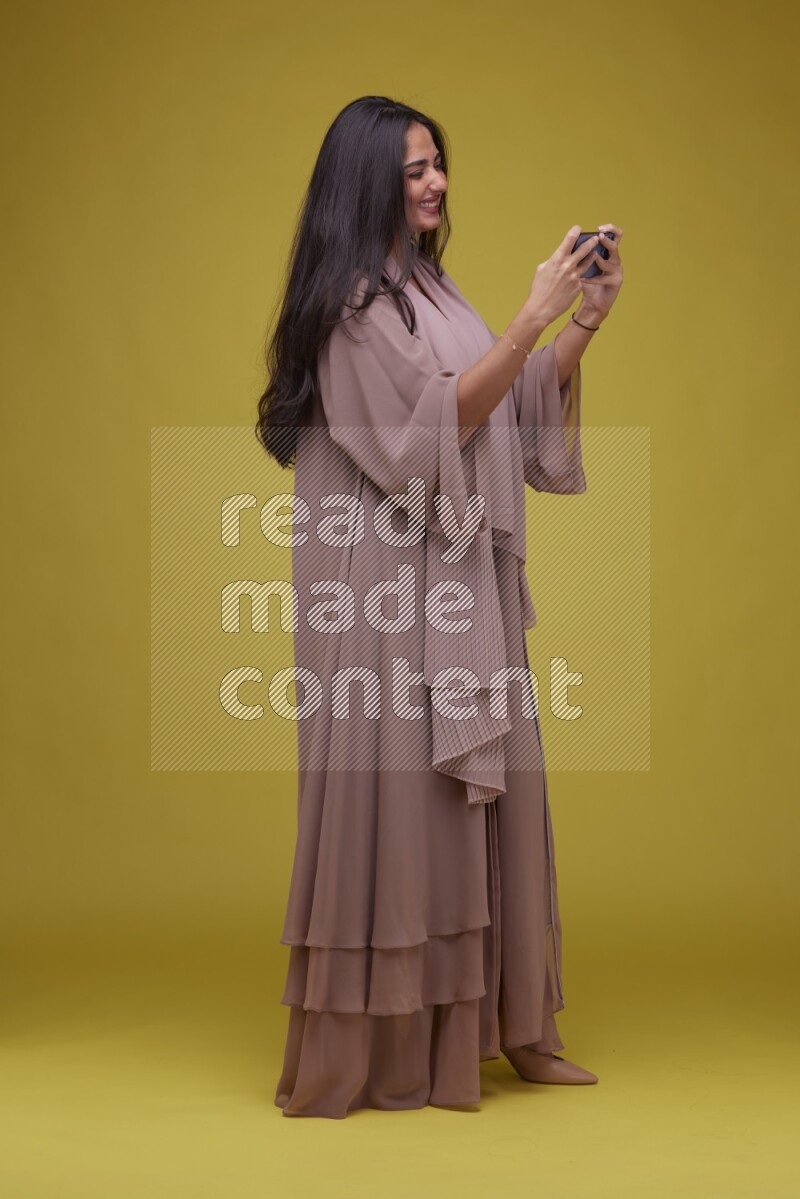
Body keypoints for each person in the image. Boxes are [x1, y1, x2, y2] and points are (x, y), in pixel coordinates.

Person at [255, 95, 624, 1119]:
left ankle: (508, 1026)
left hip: (461, 576)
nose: (434, 182)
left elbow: (499, 406)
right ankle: (389, 1047)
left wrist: (578, 326)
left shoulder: (424, 285)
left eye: (437, 164)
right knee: (408, 811)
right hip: (384, 594)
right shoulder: (348, 310)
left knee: (484, 801)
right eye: (415, 168)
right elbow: (429, 435)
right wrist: (527, 317)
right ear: (367, 179)